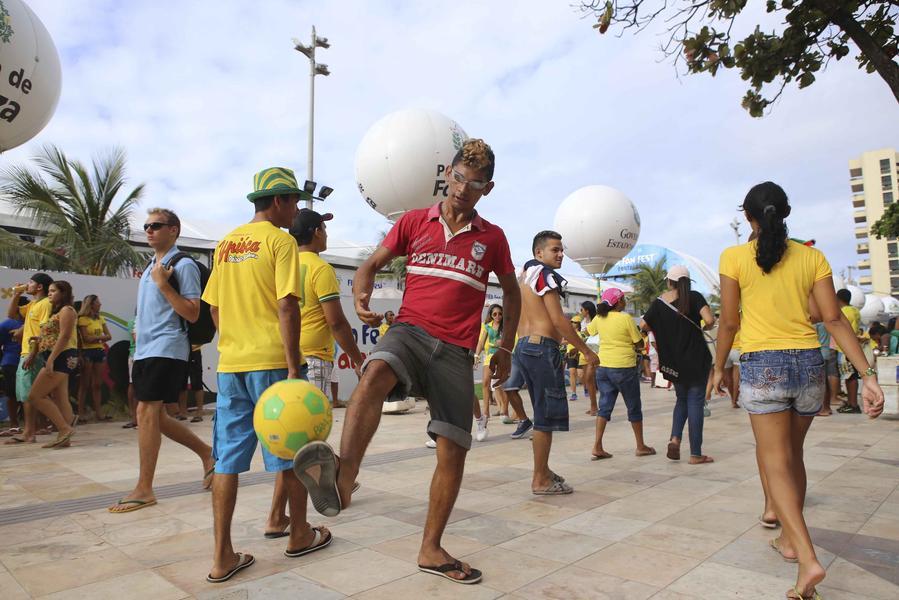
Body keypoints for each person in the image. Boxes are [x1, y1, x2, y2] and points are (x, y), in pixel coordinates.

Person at [293, 138, 519, 584]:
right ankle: (344, 476)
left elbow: (511, 293)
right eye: (456, 178)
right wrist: (361, 291)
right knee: (374, 372)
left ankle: (431, 549)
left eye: (473, 184)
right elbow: (371, 264)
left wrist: (505, 347)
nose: (461, 190)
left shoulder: (492, 238)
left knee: (453, 451)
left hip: (455, 351)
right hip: (410, 331)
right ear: (447, 174)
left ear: (486, 189)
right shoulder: (415, 222)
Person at [714, 181, 884, 600]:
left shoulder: (734, 257)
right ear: (784, 214)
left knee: (774, 462)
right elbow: (834, 318)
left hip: (763, 365)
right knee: (793, 456)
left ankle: (807, 559)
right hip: (809, 364)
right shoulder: (813, 257)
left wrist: (718, 367)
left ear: (749, 218)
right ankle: (789, 542)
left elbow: (730, 322)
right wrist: (868, 375)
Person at [202, 167, 332, 583]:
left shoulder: (225, 244)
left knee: (226, 460)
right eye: (293, 200)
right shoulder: (280, 241)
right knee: (291, 453)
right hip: (274, 362)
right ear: (277, 201)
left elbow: (214, 307)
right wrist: (294, 366)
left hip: (231, 365)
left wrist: (235, 343)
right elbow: (287, 305)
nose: (296, 209)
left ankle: (222, 557)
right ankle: (298, 533)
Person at [264, 208, 367, 537]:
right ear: (315, 232)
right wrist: (356, 357)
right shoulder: (320, 268)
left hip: (285, 356)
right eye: (324, 228)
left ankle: (281, 514)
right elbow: (336, 321)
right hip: (315, 359)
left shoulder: (285, 264)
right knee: (305, 443)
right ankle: (290, 517)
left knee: (293, 440)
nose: (327, 233)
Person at [109, 208, 215, 513]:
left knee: (146, 412)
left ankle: (144, 489)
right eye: (146, 226)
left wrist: (164, 285)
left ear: (174, 230)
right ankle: (208, 455)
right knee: (156, 417)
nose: (149, 231)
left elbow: (193, 312)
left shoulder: (182, 266)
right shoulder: (150, 267)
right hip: (145, 351)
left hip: (167, 348)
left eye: (156, 225)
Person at [517, 230, 598, 493]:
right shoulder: (545, 275)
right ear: (539, 253)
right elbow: (558, 320)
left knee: (541, 411)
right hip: (541, 349)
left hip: (526, 347)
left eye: (561, 249)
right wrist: (586, 350)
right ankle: (540, 479)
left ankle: (543, 469)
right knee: (545, 417)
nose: (561, 254)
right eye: (555, 250)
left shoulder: (524, 278)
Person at [642, 265, 716, 465]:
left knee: (681, 400)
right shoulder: (694, 297)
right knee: (695, 403)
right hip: (697, 358)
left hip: (673, 361)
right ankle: (695, 453)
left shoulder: (659, 303)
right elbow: (709, 320)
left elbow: (643, 326)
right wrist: (701, 325)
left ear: (668, 281)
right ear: (687, 281)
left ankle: (675, 438)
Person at [590, 288, 655, 460]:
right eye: (624, 299)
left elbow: (588, 332)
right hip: (624, 367)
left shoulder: (599, 317)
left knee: (604, 407)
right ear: (619, 302)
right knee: (633, 406)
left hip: (603, 367)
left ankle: (597, 445)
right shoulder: (625, 318)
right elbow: (639, 343)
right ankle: (640, 446)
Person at [24, 280, 80, 449]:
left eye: (53, 291)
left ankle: (64, 429)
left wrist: (51, 360)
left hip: (61, 356)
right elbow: (54, 336)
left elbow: (64, 336)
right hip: (58, 355)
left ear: (63, 293)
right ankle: (65, 438)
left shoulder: (67, 310)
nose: (49, 293)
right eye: (49, 290)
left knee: (35, 396)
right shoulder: (56, 311)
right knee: (61, 397)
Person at [5, 273, 56, 444]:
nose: (28, 285)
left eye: (31, 282)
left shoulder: (45, 304)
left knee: (29, 394)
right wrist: (16, 295)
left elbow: (43, 331)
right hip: (25, 352)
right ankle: (32, 430)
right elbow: (11, 315)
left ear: (39, 286)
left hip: (33, 353)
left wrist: (34, 354)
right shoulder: (33, 304)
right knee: (26, 394)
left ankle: (30, 432)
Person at [76, 294, 112, 422]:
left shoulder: (100, 319)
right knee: (84, 384)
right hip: (87, 352)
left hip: (99, 351)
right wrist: (100, 338)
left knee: (97, 384)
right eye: (98, 302)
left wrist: (96, 338)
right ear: (91, 304)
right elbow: (86, 339)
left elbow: (109, 336)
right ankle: (80, 414)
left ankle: (99, 413)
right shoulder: (82, 319)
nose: (100, 304)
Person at [475, 303, 505, 426]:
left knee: (501, 384)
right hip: (489, 356)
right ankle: (486, 412)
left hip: (503, 356)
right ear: (491, 315)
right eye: (495, 314)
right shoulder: (486, 326)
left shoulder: (506, 326)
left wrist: (502, 343)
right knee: (486, 383)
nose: (497, 316)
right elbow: (481, 342)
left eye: (500, 314)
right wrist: (476, 355)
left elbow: (511, 339)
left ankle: (505, 410)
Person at [834, 289, 863, 414]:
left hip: (845, 349)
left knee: (849, 377)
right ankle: (852, 403)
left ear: (838, 298)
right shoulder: (855, 311)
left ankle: (853, 404)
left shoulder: (844, 312)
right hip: (854, 347)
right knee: (852, 376)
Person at [0, 306, 24, 436]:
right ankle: (14, 425)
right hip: (12, 362)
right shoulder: (6, 324)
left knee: (21, 395)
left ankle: (17, 425)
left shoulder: (31, 322)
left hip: (22, 362)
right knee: (12, 394)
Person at [815, 322, 838, 417]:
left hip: (819, 353)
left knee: (821, 383)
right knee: (825, 382)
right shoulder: (824, 322)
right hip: (825, 352)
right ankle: (827, 407)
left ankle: (823, 408)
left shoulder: (817, 324)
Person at [579, 301, 598, 415]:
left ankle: (595, 406)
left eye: (582, 310)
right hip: (585, 351)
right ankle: (593, 405)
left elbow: (585, 335)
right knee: (588, 379)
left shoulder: (596, 320)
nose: (580, 312)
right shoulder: (583, 322)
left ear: (587, 310)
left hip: (597, 350)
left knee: (591, 377)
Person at [178, 345, 206, 422]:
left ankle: (199, 412)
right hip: (180, 351)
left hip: (194, 351)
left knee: (197, 382)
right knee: (181, 383)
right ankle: (183, 412)